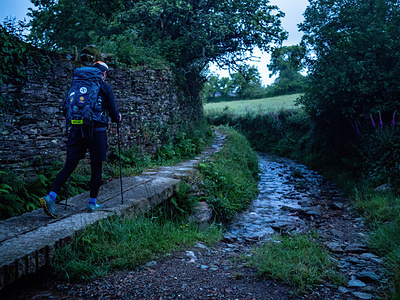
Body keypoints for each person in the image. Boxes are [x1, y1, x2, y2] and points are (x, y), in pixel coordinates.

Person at [40, 61, 122, 219]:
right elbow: (114, 115)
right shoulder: (105, 88)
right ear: (103, 74)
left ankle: (51, 197)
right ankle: (92, 203)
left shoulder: (76, 86)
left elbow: (66, 109)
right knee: (96, 167)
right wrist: (118, 116)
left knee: (69, 165)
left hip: (77, 130)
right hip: (97, 132)